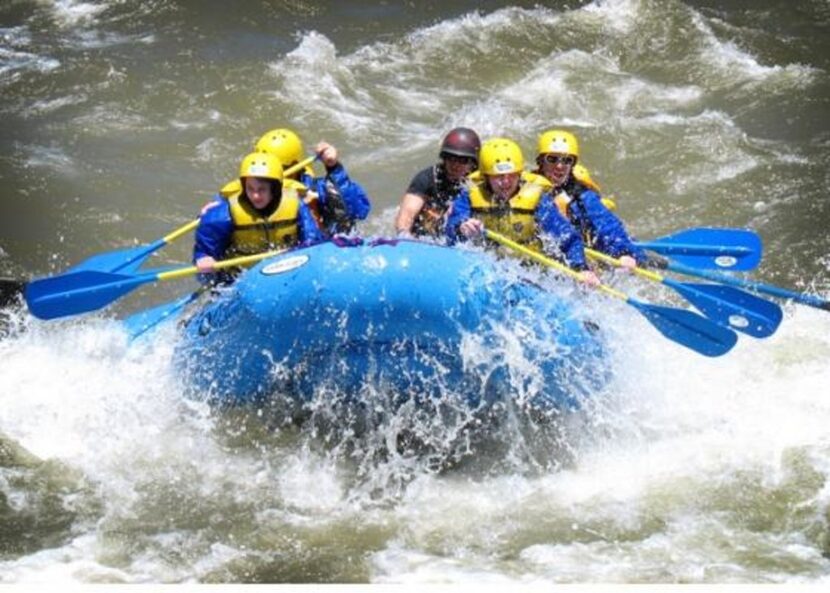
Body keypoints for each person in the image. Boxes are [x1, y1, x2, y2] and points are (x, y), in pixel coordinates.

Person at [445, 137, 600, 285]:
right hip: (487, 267)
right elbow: (452, 225)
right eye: (498, 177)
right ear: (486, 178)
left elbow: (567, 238)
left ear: (519, 175)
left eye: (511, 176)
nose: (505, 183)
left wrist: (581, 268)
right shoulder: (469, 196)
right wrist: (461, 226)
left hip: (529, 272)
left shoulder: (537, 200)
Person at [194, 151, 324, 284]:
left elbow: (312, 242)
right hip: (239, 281)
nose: (255, 196)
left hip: (286, 272)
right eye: (250, 189)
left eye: (261, 189)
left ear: (274, 189)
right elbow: (204, 252)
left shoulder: (296, 205)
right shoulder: (223, 215)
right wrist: (204, 260)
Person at [227, 128, 371, 236]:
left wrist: (333, 167)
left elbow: (356, 211)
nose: (270, 176)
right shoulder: (247, 192)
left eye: (279, 168)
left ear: (295, 166)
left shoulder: (315, 189)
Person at [535, 129, 646, 269]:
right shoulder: (523, 187)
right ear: (540, 161)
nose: (559, 166)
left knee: (628, 253)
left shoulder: (582, 196)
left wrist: (623, 253)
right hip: (539, 252)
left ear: (573, 164)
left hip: (581, 253)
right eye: (552, 159)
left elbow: (607, 225)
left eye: (567, 160)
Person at [394, 127, 481, 238]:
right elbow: (408, 212)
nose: (455, 165)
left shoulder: (478, 185)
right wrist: (403, 235)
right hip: (424, 236)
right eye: (451, 158)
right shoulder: (427, 178)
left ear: (473, 164)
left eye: (463, 160)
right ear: (444, 158)